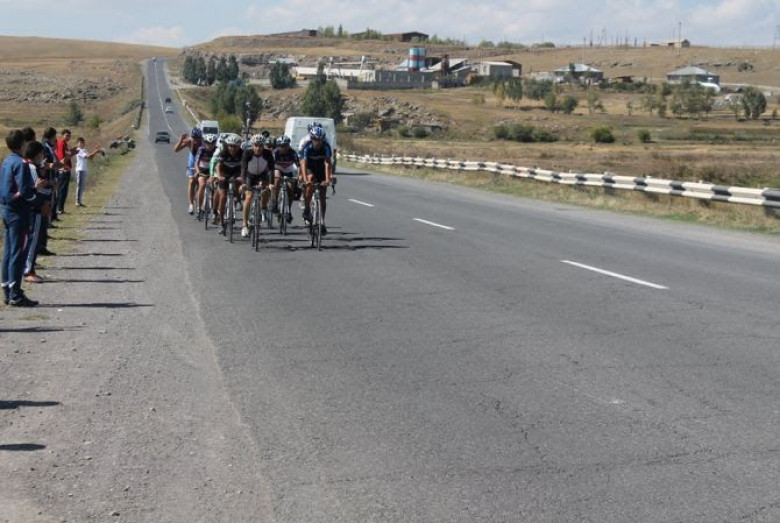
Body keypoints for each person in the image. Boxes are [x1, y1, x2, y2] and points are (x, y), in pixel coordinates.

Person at [1, 130, 43, 307]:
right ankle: (16, 294)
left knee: (9, 252)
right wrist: (37, 196)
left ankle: (7, 288)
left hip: (6, 209)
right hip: (19, 212)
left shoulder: (6, 161)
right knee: (18, 253)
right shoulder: (21, 163)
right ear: (23, 144)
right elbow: (25, 191)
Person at [22, 141, 50, 283]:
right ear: (37, 154)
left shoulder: (31, 166)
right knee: (34, 239)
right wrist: (50, 190)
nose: (43, 157)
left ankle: (29, 267)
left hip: (33, 208)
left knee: (33, 239)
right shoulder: (32, 168)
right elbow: (37, 189)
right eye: (41, 154)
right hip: (36, 209)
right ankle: (29, 270)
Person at [300, 126, 333, 235]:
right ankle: (307, 209)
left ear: (323, 139)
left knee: (323, 196)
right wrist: (305, 179)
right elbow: (303, 164)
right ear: (312, 138)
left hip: (321, 169)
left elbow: (327, 164)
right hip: (310, 168)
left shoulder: (326, 147)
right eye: (315, 139)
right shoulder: (307, 147)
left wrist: (327, 179)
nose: (317, 142)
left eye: (320, 139)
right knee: (310, 182)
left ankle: (322, 221)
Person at [239, 134, 274, 238]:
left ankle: (263, 208)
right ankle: (244, 225)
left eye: (260, 146)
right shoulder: (247, 153)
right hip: (250, 176)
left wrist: (271, 183)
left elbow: (271, 169)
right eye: (256, 145)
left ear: (264, 146)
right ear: (252, 145)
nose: (258, 148)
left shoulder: (268, 153)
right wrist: (243, 183)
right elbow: (243, 169)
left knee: (267, 190)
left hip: (263, 175)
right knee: (249, 197)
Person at [214, 134, 244, 235]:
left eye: (235, 146)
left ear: (239, 146)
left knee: (240, 186)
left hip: (236, 174)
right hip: (224, 174)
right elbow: (218, 166)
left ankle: (237, 198)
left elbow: (245, 167)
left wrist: (242, 176)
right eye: (230, 146)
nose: (232, 148)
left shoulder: (242, 153)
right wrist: (219, 176)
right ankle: (221, 222)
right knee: (222, 197)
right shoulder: (224, 152)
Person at [173, 127, 203, 214]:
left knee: (202, 182)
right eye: (194, 138)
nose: (195, 141)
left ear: (201, 138)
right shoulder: (189, 142)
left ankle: (202, 202)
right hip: (192, 162)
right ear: (191, 137)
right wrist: (180, 140)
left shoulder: (204, 143)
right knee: (191, 181)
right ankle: (191, 205)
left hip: (202, 162)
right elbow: (176, 150)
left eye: (197, 138)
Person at [272, 135, 299, 224]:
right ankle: (275, 201)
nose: (283, 148)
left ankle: (288, 210)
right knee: (277, 179)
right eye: (281, 146)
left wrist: (298, 176)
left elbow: (298, 165)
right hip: (278, 169)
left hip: (288, 171)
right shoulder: (275, 152)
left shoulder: (292, 152)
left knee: (291, 189)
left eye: (285, 145)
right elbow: (270, 166)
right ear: (278, 146)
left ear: (288, 145)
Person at [193, 133, 218, 218]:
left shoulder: (217, 150)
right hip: (202, 171)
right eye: (208, 143)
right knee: (202, 184)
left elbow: (219, 163)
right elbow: (196, 162)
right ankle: (199, 208)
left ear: (215, 143)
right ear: (205, 142)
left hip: (213, 172)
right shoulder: (201, 149)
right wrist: (197, 171)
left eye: (212, 143)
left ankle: (215, 210)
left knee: (215, 187)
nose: (210, 145)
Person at [73, 137, 103, 206]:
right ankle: (77, 202)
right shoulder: (78, 150)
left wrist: (95, 151)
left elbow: (90, 158)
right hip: (80, 169)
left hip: (84, 169)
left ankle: (80, 201)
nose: (82, 144)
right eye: (80, 142)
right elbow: (88, 156)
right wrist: (95, 151)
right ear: (77, 144)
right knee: (79, 186)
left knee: (82, 186)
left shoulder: (84, 150)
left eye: (83, 142)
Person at [55, 129, 73, 214]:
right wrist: (64, 167)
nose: (68, 137)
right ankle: (59, 208)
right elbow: (61, 158)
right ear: (62, 135)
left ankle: (61, 208)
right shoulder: (61, 143)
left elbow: (68, 156)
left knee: (64, 190)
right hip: (63, 170)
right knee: (61, 189)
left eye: (69, 135)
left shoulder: (66, 144)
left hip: (67, 169)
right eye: (66, 135)